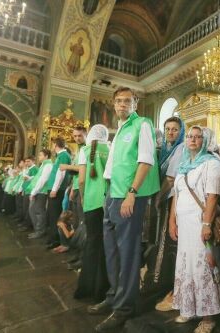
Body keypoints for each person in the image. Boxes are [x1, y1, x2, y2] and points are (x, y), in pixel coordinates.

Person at [93, 87, 160, 331]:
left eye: (127, 101)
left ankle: (124, 308)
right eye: (118, 101)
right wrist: (108, 195)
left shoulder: (142, 124)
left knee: (128, 254)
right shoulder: (120, 129)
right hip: (112, 194)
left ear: (135, 103)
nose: (122, 105)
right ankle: (113, 297)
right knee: (112, 252)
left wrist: (132, 193)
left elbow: (146, 161)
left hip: (128, 196)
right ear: (113, 104)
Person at [169, 125, 220, 333]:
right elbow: (176, 196)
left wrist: (207, 224)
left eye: (197, 137)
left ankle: (209, 316)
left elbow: (212, 196)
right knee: (186, 265)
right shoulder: (183, 166)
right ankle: (189, 308)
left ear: (205, 140)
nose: (192, 139)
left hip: (200, 223)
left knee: (203, 266)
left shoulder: (211, 163)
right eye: (190, 136)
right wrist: (171, 222)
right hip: (184, 225)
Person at [152, 116, 186, 311]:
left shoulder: (181, 148)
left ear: (181, 131)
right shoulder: (164, 150)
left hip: (172, 199)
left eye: (174, 129)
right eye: (168, 129)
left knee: (171, 242)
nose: (171, 132)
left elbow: (170, 179)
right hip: (165, 199)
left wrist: (158, 197)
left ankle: (172, 285)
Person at [74, 124, 109, 302]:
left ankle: (86, 288)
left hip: (91, 202)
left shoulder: (85, 151)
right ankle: (102, 290)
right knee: (105, 245)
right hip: (108, 202)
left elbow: (81, 180)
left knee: (92, 243)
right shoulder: (110, 148)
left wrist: (82, 197)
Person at [59, 127, 87, 234]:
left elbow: (84, 169)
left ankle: (81, 244)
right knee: (75, 217)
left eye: (80, 135)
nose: (77, 138)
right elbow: (76, 174)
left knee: (81, 218)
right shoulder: (79, 150)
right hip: (75, 187)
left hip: (83, 188)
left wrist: (67, 167)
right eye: (75, 136)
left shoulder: (87, 149)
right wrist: (71, 189)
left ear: (85, 135)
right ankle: (75, 242)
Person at [45, 137, 72, 249]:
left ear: (55, 144)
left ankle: (56, 239)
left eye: (52, 145)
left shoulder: (64, 155)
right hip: (54, 188)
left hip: (58, 190)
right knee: (51, 214)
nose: (52, 147)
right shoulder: (60, 156)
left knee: (55, 215)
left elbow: (61, 173)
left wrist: (55, 189)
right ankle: (53, 237)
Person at [27, 149, 53, 239]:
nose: (39, 157)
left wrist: (34, 192)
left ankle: (40, 231)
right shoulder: (43, 164)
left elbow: (43, 180)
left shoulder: (48, 165)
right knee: (33, 210)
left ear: (46, 156)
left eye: (40, 155)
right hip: (38, 190)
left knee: (39, 212)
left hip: (42, 191)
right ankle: (38, 230)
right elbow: (38, 177)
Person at [18, 156, 38, 232]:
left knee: (28, 209)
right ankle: (25, 223)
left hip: (30, 191)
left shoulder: (35, 169)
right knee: (25, 208)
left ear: (33, 161)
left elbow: (36, 178)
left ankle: (28, 225)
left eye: (28, 161)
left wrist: (29, 178)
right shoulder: (29, 169)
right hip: (26, 190)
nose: (26, 163)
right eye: (26, 161)